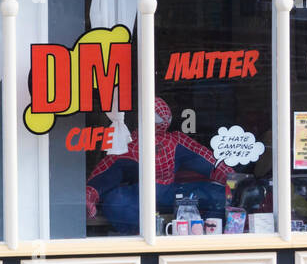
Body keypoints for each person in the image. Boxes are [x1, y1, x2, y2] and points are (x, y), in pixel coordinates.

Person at [86, 97, 230, 233]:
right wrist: (90, 194)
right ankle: (139, 235)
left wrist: (231, 179)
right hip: (139, 195)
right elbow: (106, 171)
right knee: (115, 201)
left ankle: (209, 231)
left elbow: (206, 159)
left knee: (218, 194)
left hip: (173, 192)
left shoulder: (175, 141)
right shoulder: (129, 144)